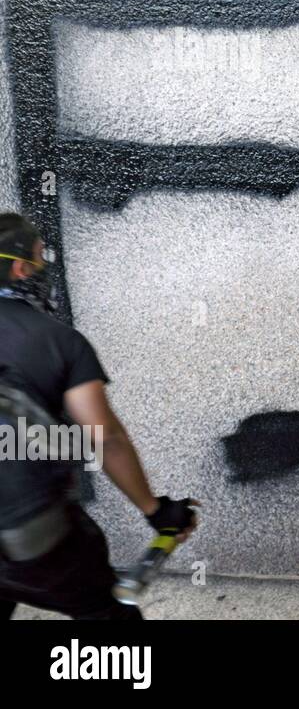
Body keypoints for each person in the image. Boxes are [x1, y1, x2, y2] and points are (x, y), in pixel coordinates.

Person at [0, 213, 197, 619]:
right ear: (20, 269)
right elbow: (105, 439)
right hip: (32, 538)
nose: (44, 269)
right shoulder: (59, 342)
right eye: (40, 259)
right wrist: (156, 511)